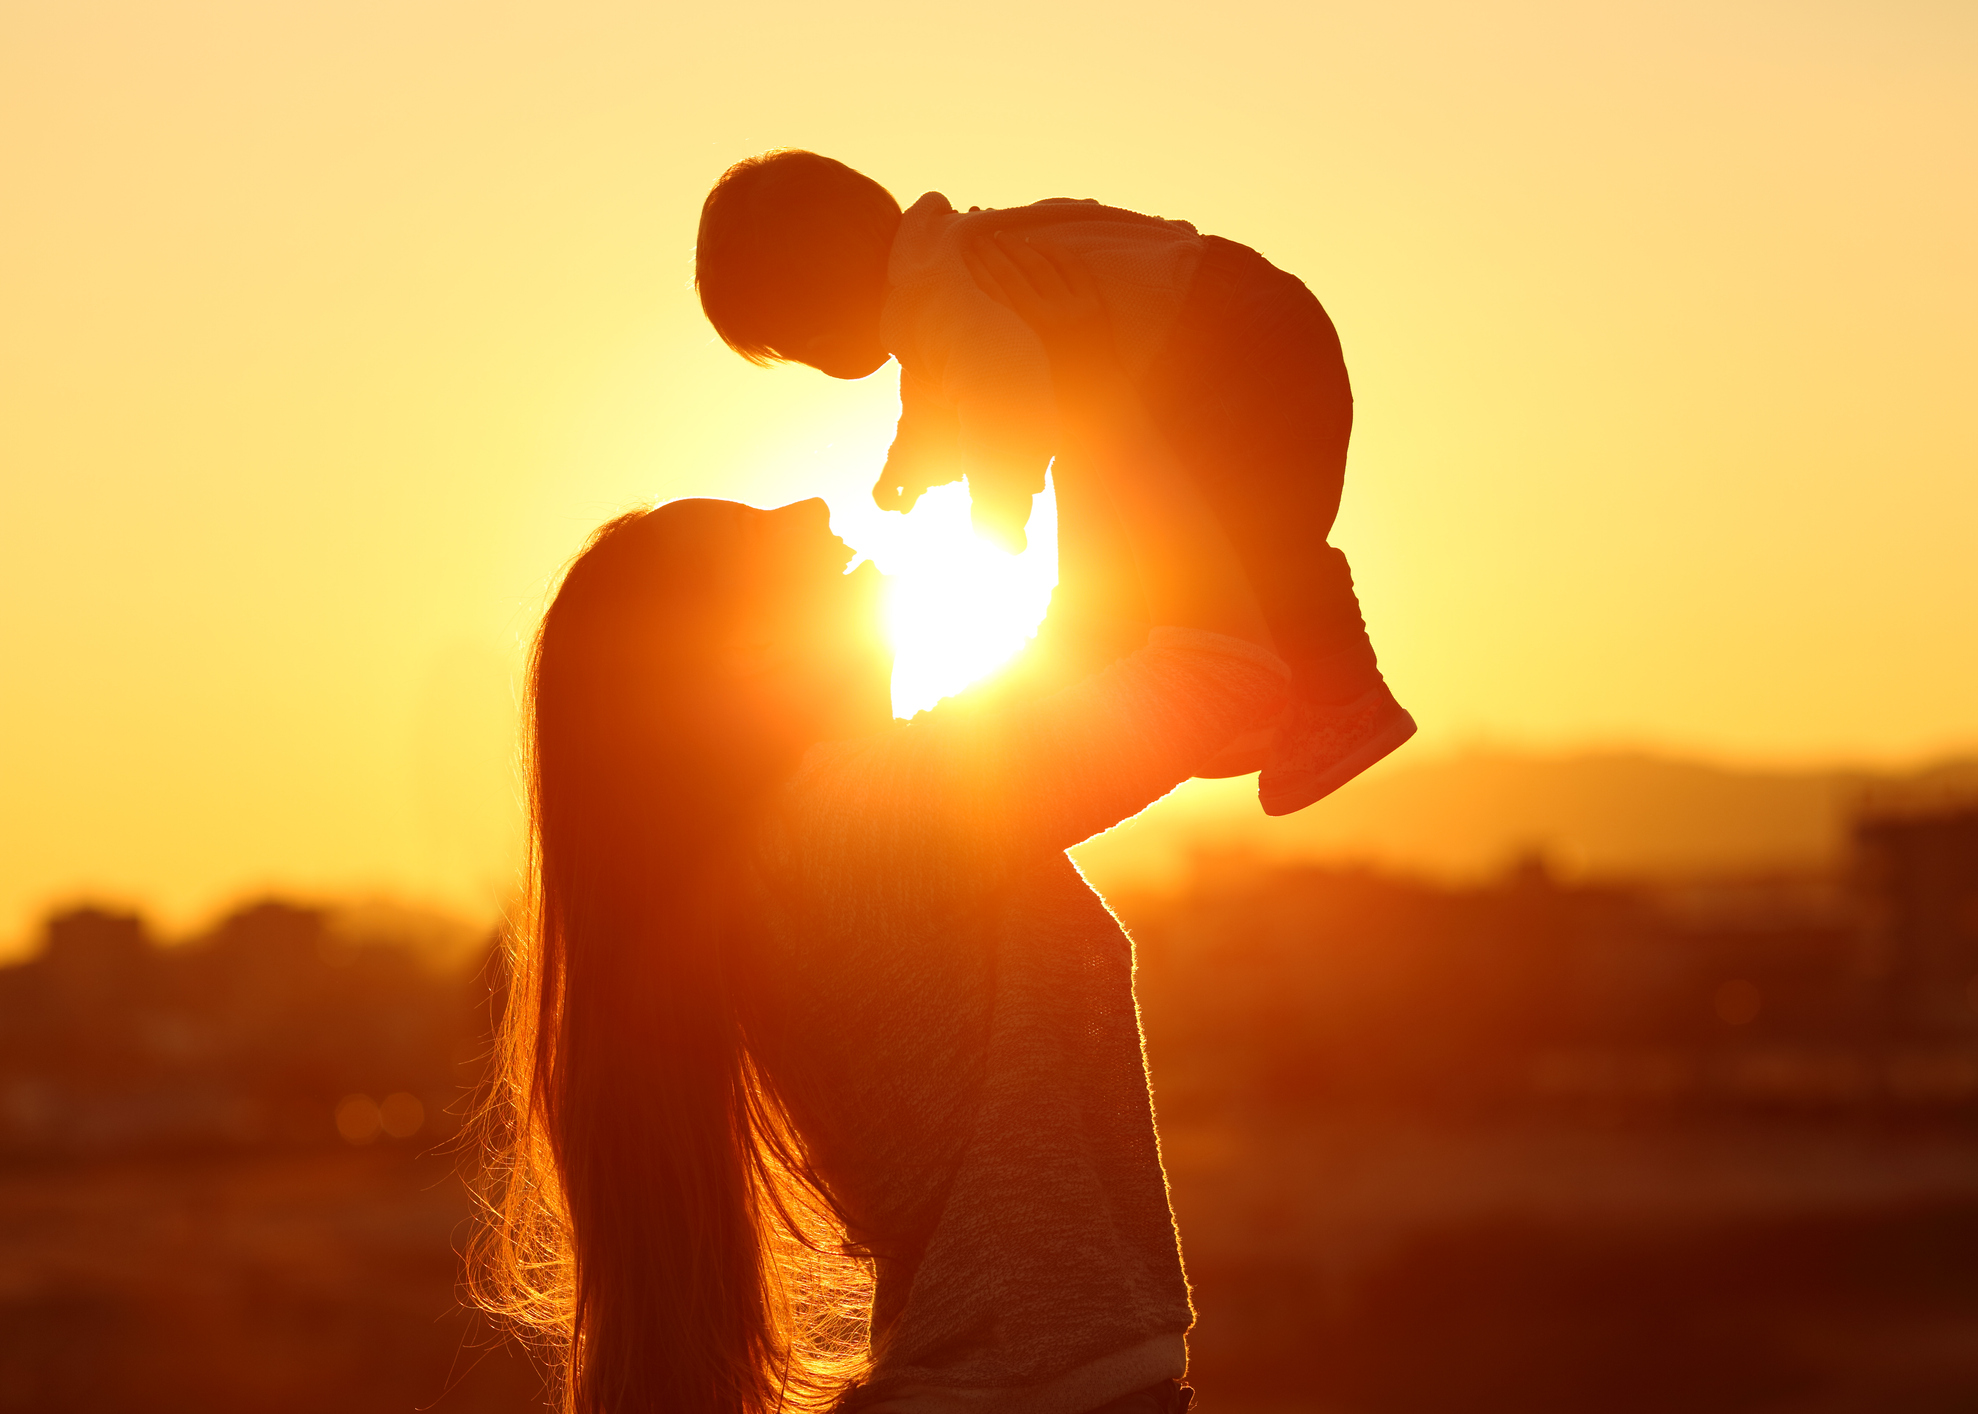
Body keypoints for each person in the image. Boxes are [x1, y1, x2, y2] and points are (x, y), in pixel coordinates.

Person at [475, 238, 1288, 1414]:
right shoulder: (866, 819)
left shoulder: (831, 827)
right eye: (759, 538)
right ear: (731, 665)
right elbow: (1218, 675)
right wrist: (1106, 403)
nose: (811, 501)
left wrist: (1059, 420)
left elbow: (1096, 658)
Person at [693, 149, 1414, 817]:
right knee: (1175, 554)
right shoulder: (946, 271)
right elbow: (943, 391)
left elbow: (1002, 398)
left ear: (824, 319)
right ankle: (1245, 690)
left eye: (801, 345)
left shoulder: (946, 301)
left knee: (1250, 542)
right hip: (1231, 322)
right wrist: (912, 466)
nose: (815, 361)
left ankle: (1339, 696)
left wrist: (999, 514)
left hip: (1232, 345)